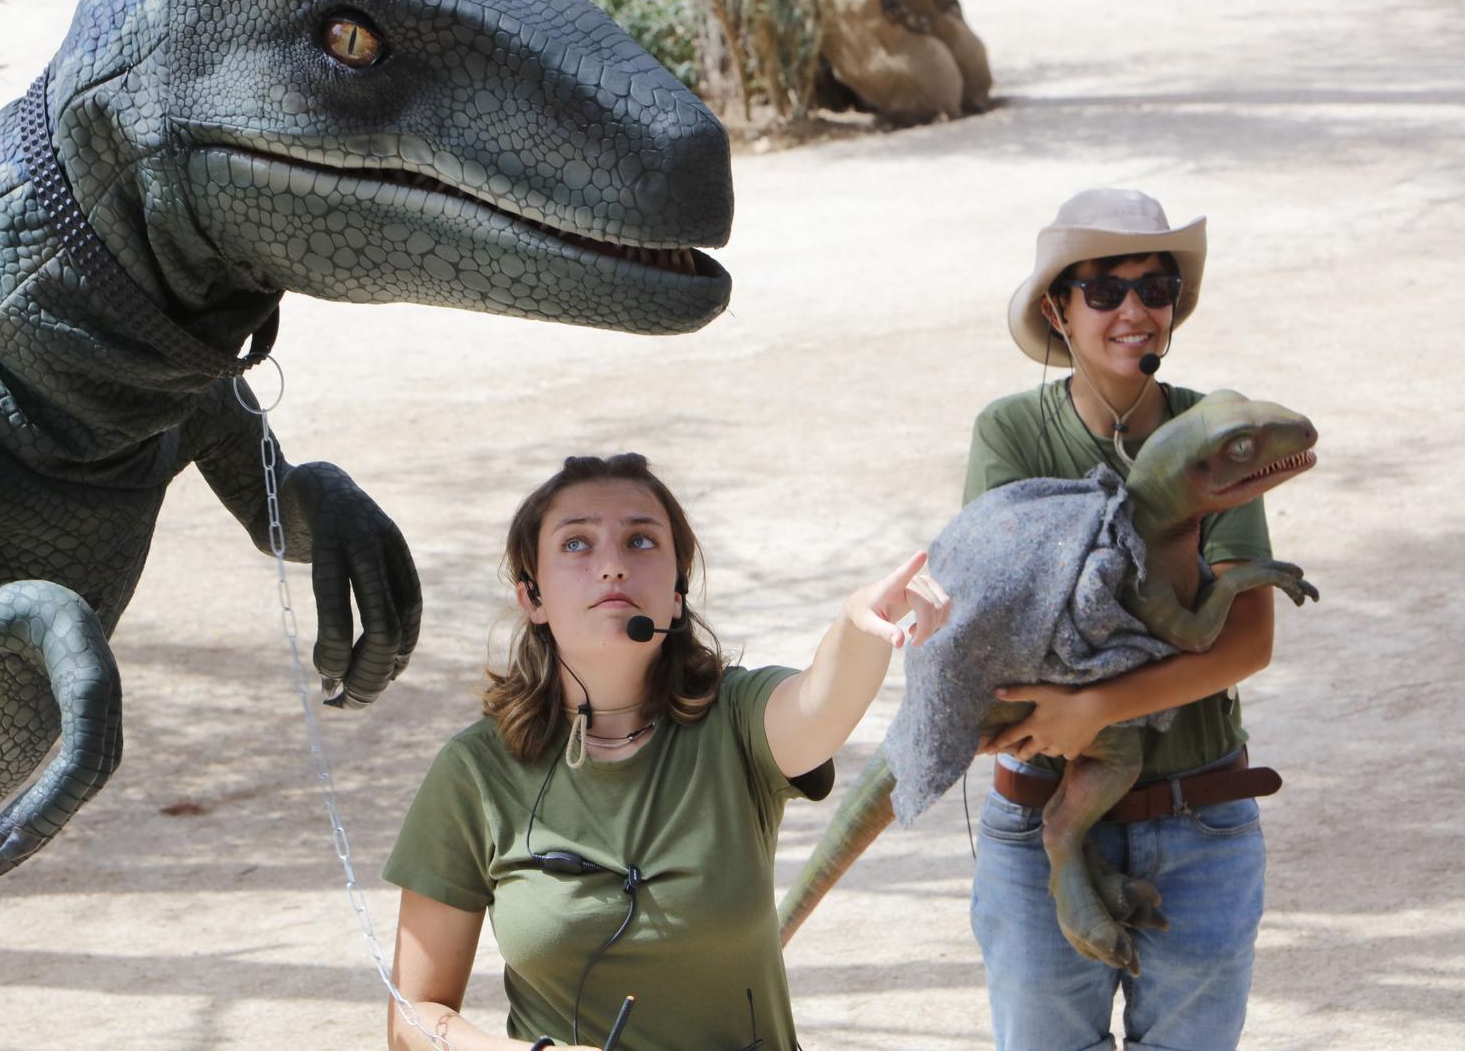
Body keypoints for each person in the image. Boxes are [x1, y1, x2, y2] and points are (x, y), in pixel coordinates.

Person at [382, 452, 949, 1049]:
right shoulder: (475, 771)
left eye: (641, 541)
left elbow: (819, 705)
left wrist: (859, 625)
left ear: (676, 594)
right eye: (576, 544)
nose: (612, 567)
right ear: (533, 598)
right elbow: (413, 1015)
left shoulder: (735, 717)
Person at [965, 188, 1280, 1050]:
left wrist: (1095, 706)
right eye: (1105, 290)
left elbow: (1246, 639)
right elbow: (1007, 622)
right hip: (1034, 819)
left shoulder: (1217, 428)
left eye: (1157, 286)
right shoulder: (1013, 433)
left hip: (1201, 821)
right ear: (1056, 309)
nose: (1136, 310)